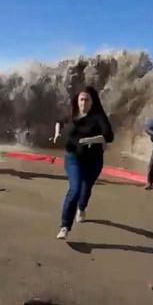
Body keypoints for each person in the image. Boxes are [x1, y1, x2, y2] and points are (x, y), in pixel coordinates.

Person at [53, 86, 114, 240]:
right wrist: (57, 133)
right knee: (75, 189)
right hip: (73, 157)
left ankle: (82, 208)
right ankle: (65, 226)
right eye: (81, 99)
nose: (83, 103)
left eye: (87, 100)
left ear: (92, 102)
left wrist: (90, 140)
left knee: (86, 190)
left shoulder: (98, 116)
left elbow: (109, 136)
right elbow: (59, 121)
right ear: (77, 101)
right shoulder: (73, 113)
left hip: (93, 160)